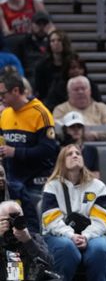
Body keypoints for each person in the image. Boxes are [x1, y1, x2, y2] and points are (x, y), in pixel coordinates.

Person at [40, 144, 106, 281]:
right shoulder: (52, 186)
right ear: (62, 161)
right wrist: (71, 235)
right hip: (57, 236)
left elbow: (101, 219)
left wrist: (86, 236)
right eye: (70, 154)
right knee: (66, 248)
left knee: (101, 248)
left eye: (78, 153)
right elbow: (51, 219)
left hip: (91, 235)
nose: (75, 156)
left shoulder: (98, 187)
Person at [0, 71, 59, 232]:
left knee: (35, 228)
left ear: (16, 91)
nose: (1, 97)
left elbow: (48, 150)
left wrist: (15, 152)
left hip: (35, 181)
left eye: (3, 93)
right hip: (12, 181)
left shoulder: (41, 113)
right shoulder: (4, 114)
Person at [0, 200, 66, 281]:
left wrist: (28, 241)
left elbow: (49, 264)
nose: (14, 222)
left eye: (17, 217)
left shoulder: (33, 237)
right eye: (8, 219)